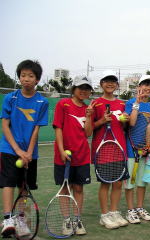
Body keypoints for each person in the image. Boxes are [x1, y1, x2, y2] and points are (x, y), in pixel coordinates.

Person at [0, 60, 48, 237]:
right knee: (8, 182)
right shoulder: (10, 98)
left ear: (37, 80)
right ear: (19, 77)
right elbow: (5, 126)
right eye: (23, 75)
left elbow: (36, 129)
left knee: (24, 187)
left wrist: (28, 152)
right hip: (9, 148)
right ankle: (7, 219)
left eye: (30, 76)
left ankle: (21, 220)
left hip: (30, 152)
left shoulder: (42, 101)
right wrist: (18, 150)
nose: (26, 79)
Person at [52, 75, 94, 235]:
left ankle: (77, 219)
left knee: (78, 188)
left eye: (87, 88)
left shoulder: (89, 108)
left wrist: (89, 116)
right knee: (64, 188)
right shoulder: (63, 104)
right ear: (74, 89)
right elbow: (58, 128)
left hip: (82, 155)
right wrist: (62, 150)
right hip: (63, 156)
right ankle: (66, 221)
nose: (84, 91)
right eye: (81, 88)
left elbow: (88, 133)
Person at [91, 71, 129, 229]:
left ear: (117, 85)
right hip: (102, 149)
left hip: (119, 149)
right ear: (101, 84)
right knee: (105, 184)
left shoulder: (121, 104)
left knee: (118, 183)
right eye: (106, 81)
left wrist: (125, 121)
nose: (110, 83)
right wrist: (101, 120)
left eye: (113, 81)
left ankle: (114, 212)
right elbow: (89, 128)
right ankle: (104, 215)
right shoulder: (96, 103)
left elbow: (124, 128)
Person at [124, 75, 150, 224]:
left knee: (142, 182)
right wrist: (137, 102)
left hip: (145, 152)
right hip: (131, 150)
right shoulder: (130, 102)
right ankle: (130, 210)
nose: (147, 87)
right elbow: (132, 122)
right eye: (145, 84)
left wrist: (148, 147)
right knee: (130, 182)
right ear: (138, 87)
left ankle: (139, 208)